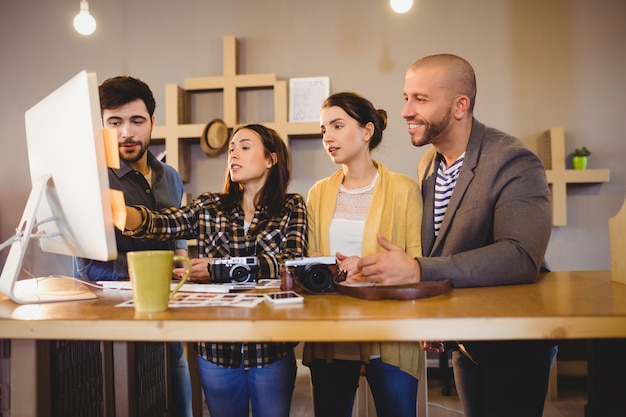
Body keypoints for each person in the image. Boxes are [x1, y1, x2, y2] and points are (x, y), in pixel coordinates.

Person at [356, 54, 556, 417]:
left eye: (420, 99)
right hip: (467, 341)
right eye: (405, 97)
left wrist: (418, 271)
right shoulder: (428, 164)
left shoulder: (514, 161)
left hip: (514, 344)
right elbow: (445, 245)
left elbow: (520, 257)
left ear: (460, 105)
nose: (405, 111)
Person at [123, 124, 307, 417]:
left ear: (271, 159)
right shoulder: (211, 205)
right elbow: (160, 223)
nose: (233, 153)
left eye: (244, 147)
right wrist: (118, 212)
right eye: (232, 148)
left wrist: (219, 269)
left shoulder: (291, 206)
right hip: (216, 349)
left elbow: (290, 264)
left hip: (272, 345)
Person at [74, 76, 193, 417]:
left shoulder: (169, 175)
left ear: (153, 122)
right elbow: (85, 262)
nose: (126, 133)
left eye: (137, 121)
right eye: (114, 122)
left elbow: (177, 227)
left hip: (165, 310)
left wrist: (182, 254)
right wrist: (151, 274)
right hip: (109, 314)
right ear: (100, 126)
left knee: (174, 384)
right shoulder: (91, 177)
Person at [304, 92, 423, 417]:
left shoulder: (404, 189)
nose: (328, 136)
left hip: (390, 328)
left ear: (367, 131)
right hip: (332, 329)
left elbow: (418, 260)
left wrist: (369, 268)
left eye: (337, 125)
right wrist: (333, 270)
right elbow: (313, 257)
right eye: (323, 129)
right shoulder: (318, 192)